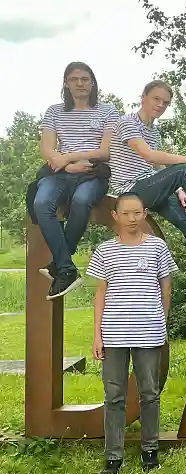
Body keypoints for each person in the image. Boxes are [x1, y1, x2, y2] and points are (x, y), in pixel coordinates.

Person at [87, 192, 178, 474]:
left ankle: (150, 451)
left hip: (149, 334)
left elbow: (166, 288)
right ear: (115, 215)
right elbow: (100, 294)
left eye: (137, 213)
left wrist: (159, 321)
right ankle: (113, 456)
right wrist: (97, 334)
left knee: (149, 393)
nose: (131, 219)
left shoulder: (157, 248)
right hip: (113, 335)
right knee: (114, 396)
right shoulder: (104, 251)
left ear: (145, 213)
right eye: (125, 213)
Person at [28, 62, 119, 300]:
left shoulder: (108, 111)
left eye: (85, 79)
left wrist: (71, 156)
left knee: (81, 200)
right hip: (61, 172)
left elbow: (106, 151)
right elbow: (47, 149)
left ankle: (60, 265)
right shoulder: (54, 111)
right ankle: (67, 269)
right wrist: (67, 165)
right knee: (41, 203)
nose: (80, 83)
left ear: (93, 82)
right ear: (66, 83)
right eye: (74, 79)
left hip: (93, 172)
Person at [108, 79, 186, 268]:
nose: (160, 105)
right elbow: (149, 155)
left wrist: (179, 191)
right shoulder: (126, 123)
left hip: (152, 186)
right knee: (183, 169)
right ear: (143, 98)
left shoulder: (154, 132)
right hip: (131, 191)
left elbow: (158, 167)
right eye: (156, 99)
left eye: (165, 102)